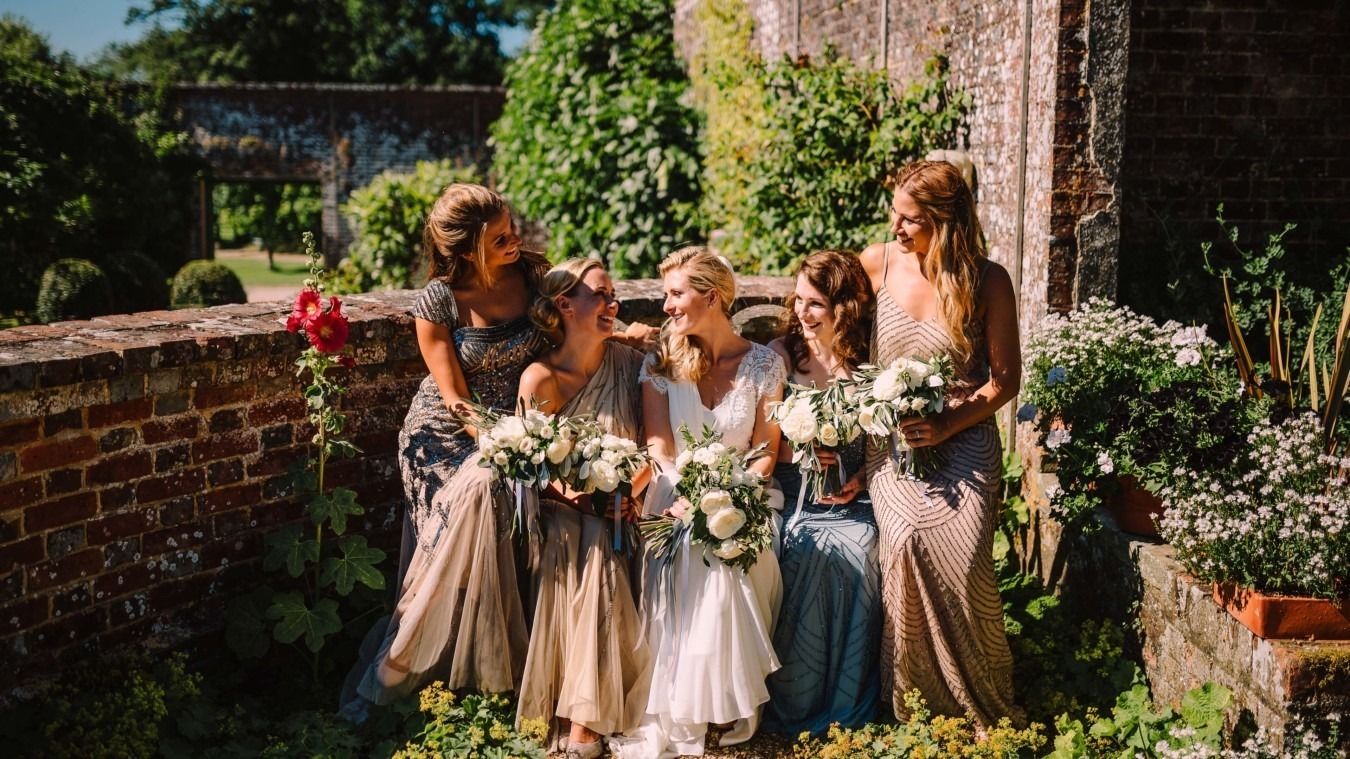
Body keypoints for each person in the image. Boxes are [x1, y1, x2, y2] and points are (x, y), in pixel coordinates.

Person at [340, 183, 550, 715]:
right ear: (466, 250)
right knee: (477, 502)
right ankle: (403, 663)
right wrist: (504, 445)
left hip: (510, 431)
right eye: (501, 236)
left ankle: (480, 676)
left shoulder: (532, 274)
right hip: (442, 437)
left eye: (512, 227)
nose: (516, 239)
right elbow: (455, 398)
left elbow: (576, 326)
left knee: (491, 496)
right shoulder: (438, 301)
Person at [859, 160, 1024, 729]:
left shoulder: (987, 279)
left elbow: (1005, 382)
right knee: (903, 542)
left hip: (965, 435)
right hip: (893, 445)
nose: (897, 229)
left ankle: (982, 699)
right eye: (896, 216)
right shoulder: (877, 265)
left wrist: (949, 424)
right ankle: (914, 705)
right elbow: (824, 326)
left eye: (911, 220)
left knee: (968, 556)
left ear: (946, 223)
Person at [611, 247, 786, 759]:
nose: (666, 306)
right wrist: (687, 498)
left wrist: (731, 501)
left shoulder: (762, 364)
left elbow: (764, 453)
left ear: (711, 296)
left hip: (747, 496)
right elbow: (660, 448)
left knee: (729, 546)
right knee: (693, 543)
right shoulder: (660, 362)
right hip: (671, 495)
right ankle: (698, 700)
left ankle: (721, 698)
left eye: (675, 294)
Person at [513, 259, 652, 759]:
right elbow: (532, 471)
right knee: (591, 543)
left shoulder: (631, 364)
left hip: (624, 509)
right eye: (601, 295)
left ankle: (582, 720)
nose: (612, 304)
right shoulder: (540, 379)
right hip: (561, 514)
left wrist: (628, 495)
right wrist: (588, 499)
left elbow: (653, 447)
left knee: (602, 539)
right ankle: (584, 724)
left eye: (615, 295)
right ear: (565, 305)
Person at [763, 250, 881, 735]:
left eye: (815, 304)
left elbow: (883, 447)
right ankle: (795, 696)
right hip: (791, 496)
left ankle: (845, 697)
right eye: (798, 301)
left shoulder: (870, 364)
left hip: (852, 501)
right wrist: (800, 451)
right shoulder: (781, 355)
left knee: (863, 545)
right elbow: (763, 443)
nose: (801, 313)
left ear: (844, 308)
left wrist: (859, 480)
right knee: (798, 547)